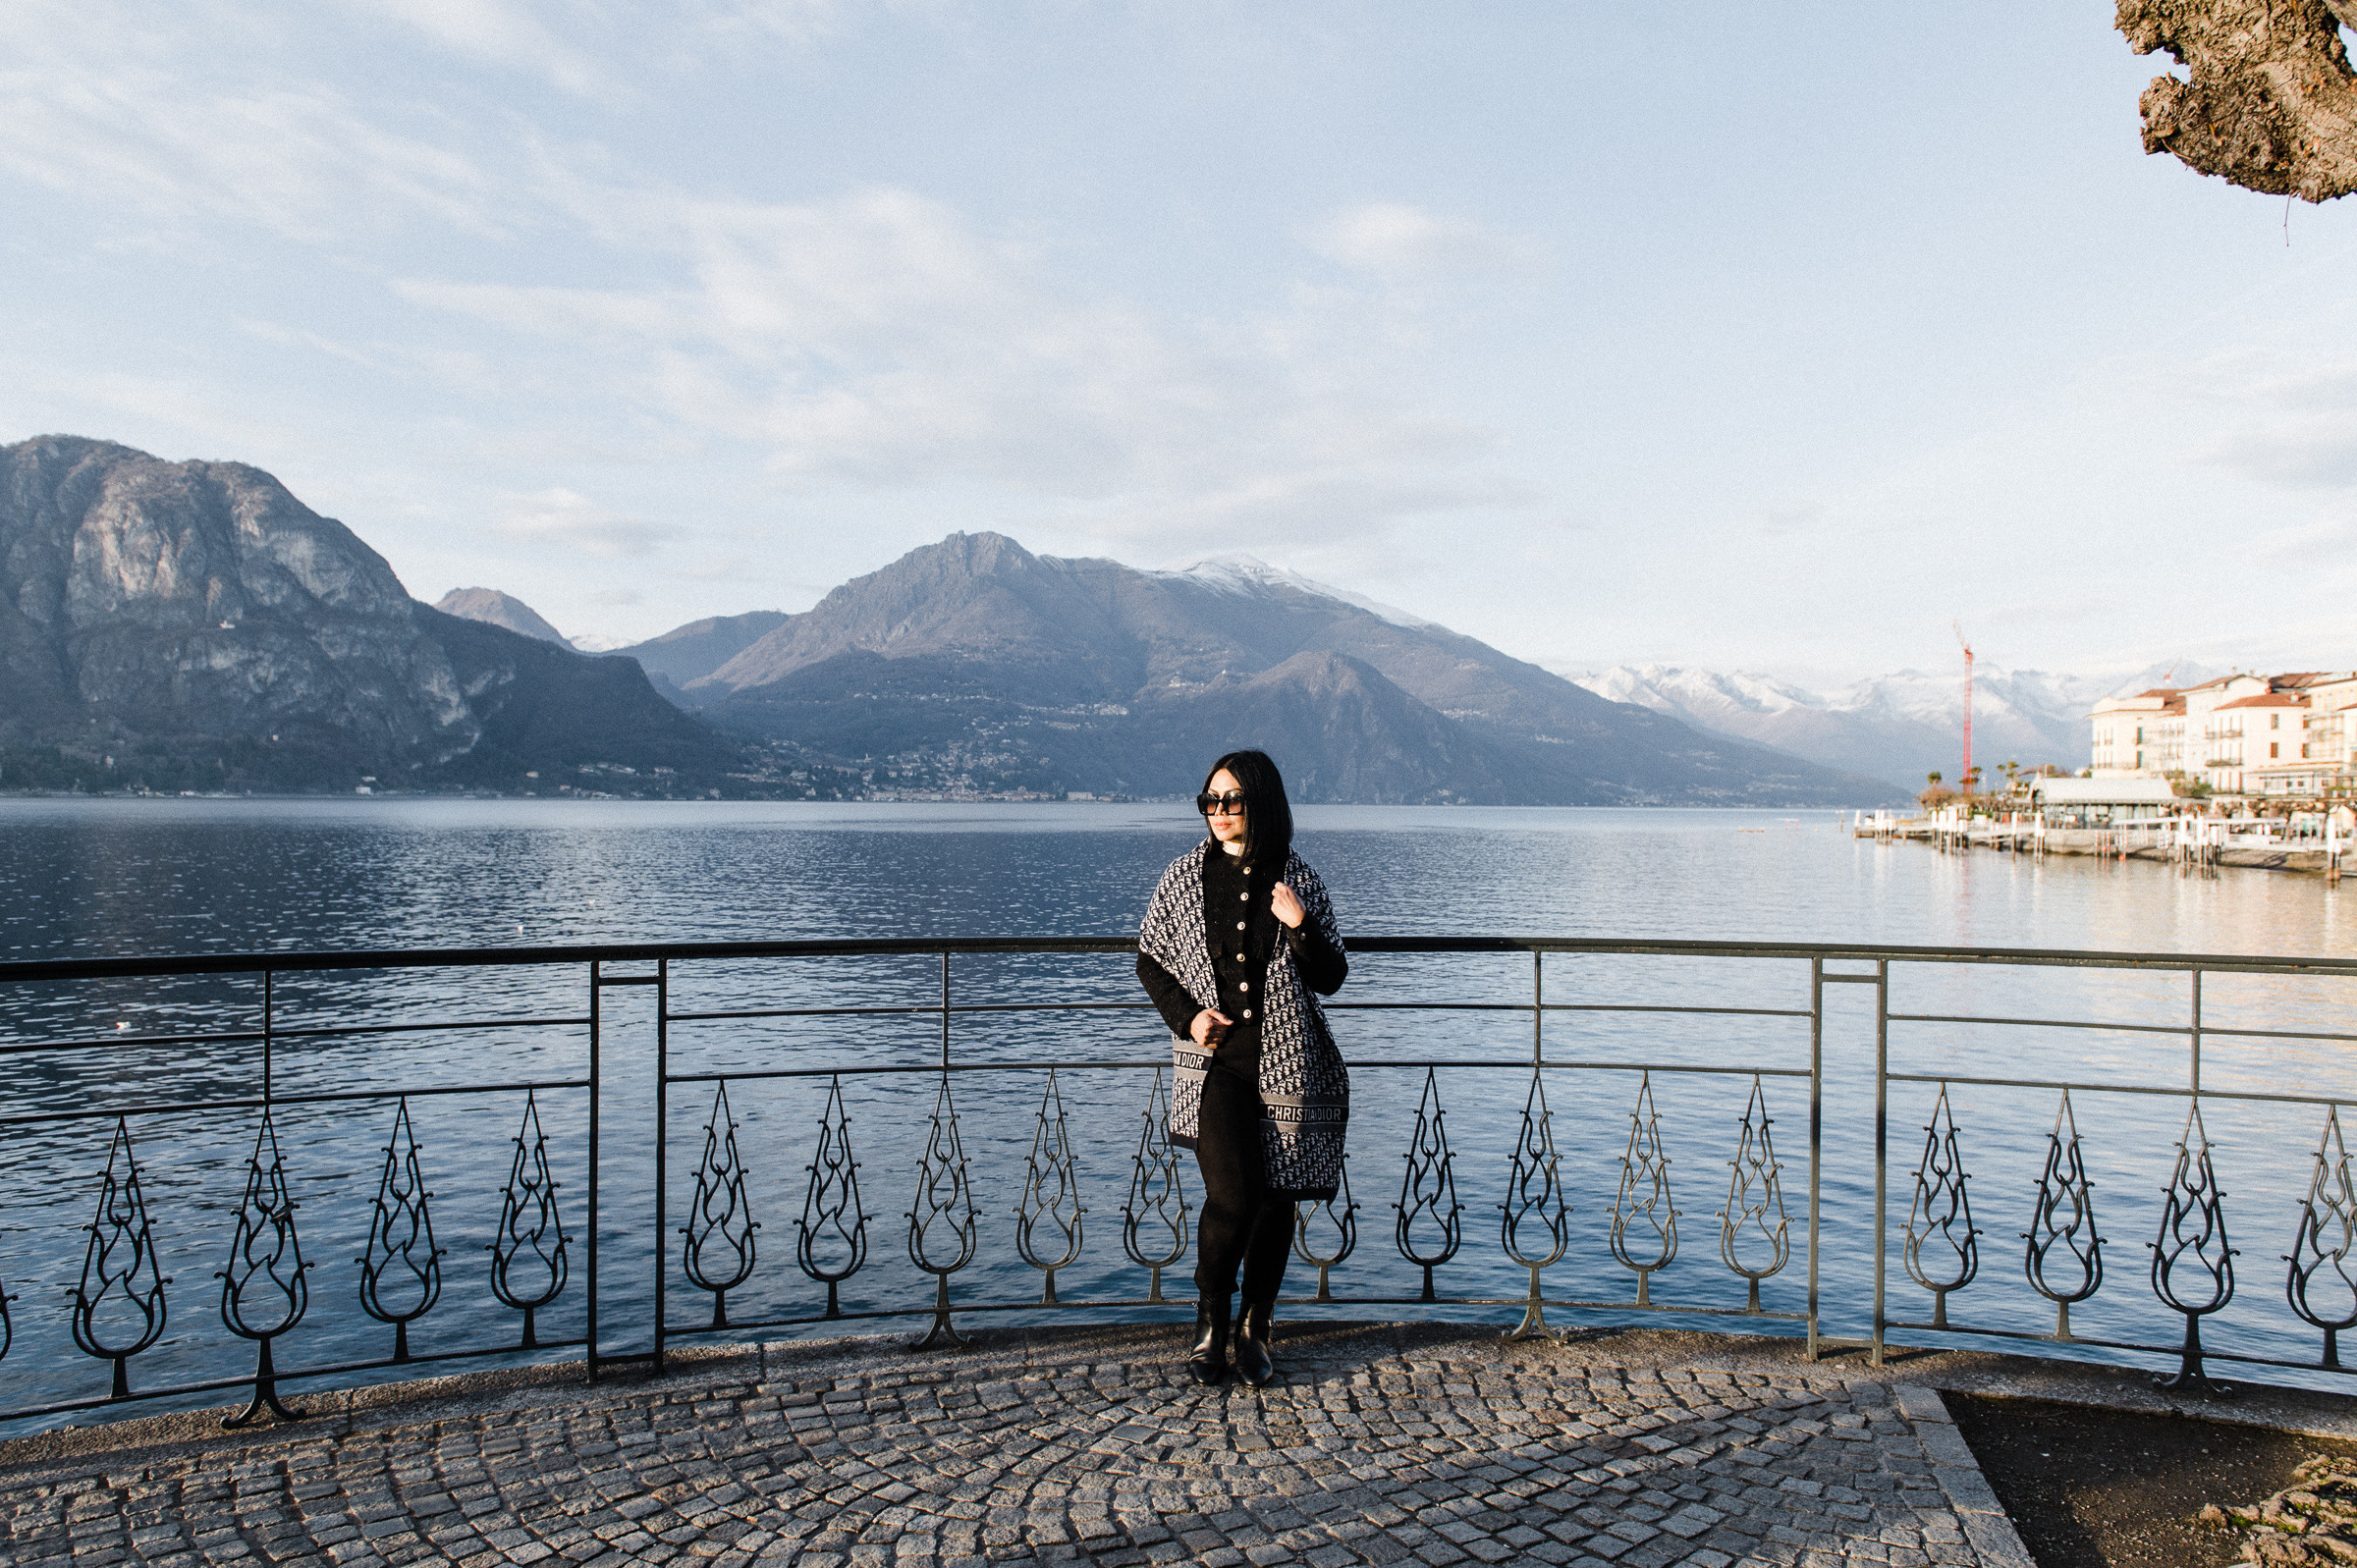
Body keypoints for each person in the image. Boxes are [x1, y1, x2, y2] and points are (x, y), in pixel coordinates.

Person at [1135, 749, 1348, 1386]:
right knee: (1232, 1195)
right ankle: (1212, 1322)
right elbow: (1150, 959)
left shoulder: (1297, 880)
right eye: (1210, 801)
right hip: (1216, 1067)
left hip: (1289, 1067)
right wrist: (1189, 1018)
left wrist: (1301, 925)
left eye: (1232, 800)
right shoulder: (1182, 877)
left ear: (1260, 802)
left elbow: (1331, 975)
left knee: (1278, 1197)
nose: (1220, 813)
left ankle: (1257, 1325)